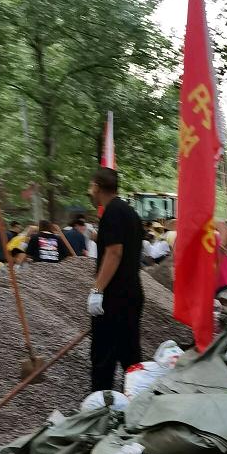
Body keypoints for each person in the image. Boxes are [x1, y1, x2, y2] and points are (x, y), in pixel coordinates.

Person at [86, 167, 144, 391]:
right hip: (131, 293)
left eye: (91, 186)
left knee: (103, 357)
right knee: (130, 355)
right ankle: (138, 399)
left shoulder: (111, 212)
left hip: (114, 298)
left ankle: (101, 404)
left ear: (97, 187)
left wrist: (97, 290)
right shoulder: (130, 213)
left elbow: (114, 252)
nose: (89, 191)